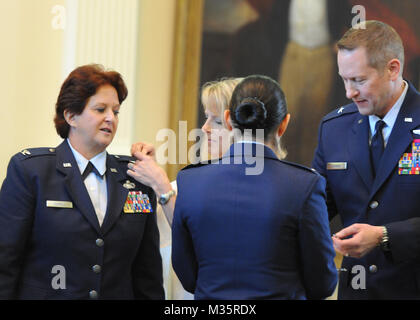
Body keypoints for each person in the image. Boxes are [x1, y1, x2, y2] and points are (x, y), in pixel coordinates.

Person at [0, 64, 164, 299]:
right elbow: (6, 261)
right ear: (70, 116)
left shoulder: (135, 177)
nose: (111, 118)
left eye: (116, 112)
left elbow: (147, 272)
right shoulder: (32, 171)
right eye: (100, 109)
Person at [171, 75, 337, 300]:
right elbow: (323, 283)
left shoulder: (190, 182)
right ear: (284, 124)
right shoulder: (304, 186)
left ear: (229, 119)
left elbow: (188, 275)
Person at [312, 20, 420, 299]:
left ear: (393, 69)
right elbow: (314, 207)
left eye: (359, 80)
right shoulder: (334, 128)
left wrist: (385, 236)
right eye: (344, 80)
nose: (349, 92)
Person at [128, 78, 243, 299]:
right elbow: (138, 224)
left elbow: (200, 239)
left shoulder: (252, 189)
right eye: (206, 117)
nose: (205, 128)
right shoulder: (186, 181)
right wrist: (144, 183)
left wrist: (161, 185)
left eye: (217, 121)